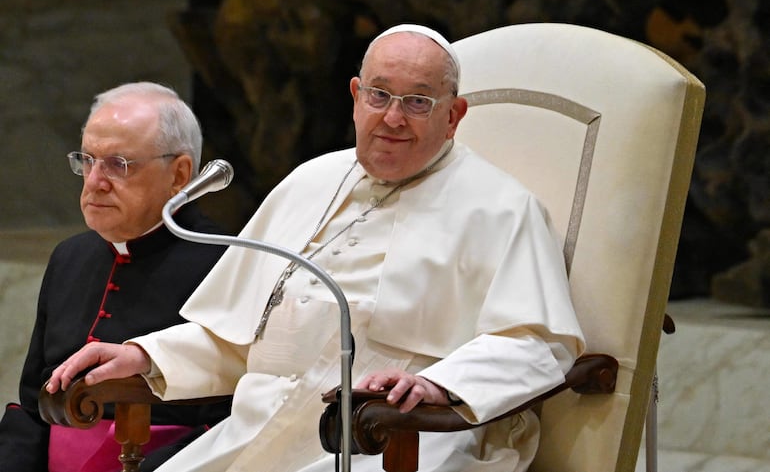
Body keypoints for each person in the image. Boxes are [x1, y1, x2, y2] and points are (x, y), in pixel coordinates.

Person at [46, 25, 585, 472]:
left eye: (417, 101)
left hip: (404, 442)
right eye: (379, 95)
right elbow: (238, 338)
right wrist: (144, 354)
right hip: (259, 434)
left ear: (454, 115)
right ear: (355, 97)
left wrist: (436, 384)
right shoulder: (309, 182)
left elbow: (539, 344)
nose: (392, 117)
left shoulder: (500, 208)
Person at [0, 82, 231, 472]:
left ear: (179, 174)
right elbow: (32, 406)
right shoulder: (71, 257)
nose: (94, 182)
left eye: (117, 164)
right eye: (87, 160)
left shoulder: (226, 263)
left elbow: (230, 419)